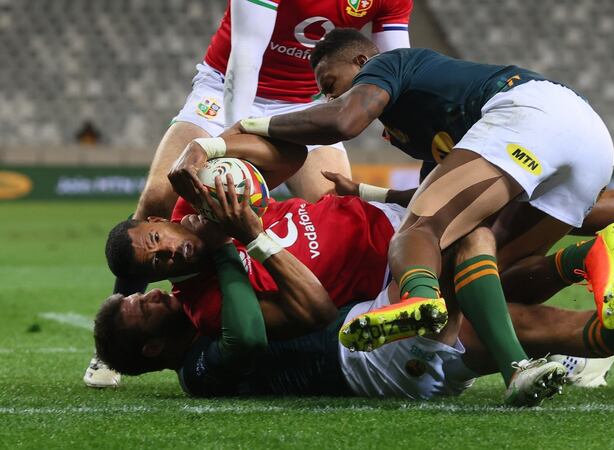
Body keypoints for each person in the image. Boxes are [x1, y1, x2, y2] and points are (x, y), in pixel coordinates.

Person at [168, 29, 614, 402]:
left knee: (424, 234)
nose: (331, 95)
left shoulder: (387, 69)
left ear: (362, 58)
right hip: (583, 140)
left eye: (332, 81)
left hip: (532, 110)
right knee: (488, 250)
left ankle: (420, 300)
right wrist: (367, 192)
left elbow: (343, 122)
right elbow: (447, 188)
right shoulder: (408, 130)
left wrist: (241, 127)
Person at [96, 200, 614, 402]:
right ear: (149, 348)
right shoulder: (197, 371)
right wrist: (228, 247)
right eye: (143, 306)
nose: (157, 295)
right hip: (368, 359)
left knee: (503, 300)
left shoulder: (194, 314)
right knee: (487, 276)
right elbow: (248, 337)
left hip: (377, 336)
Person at [88, 0, 414, 388]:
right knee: (159, 196)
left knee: (333, 198)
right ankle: (117, 334)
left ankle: (333, 326)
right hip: (227, 86)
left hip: (303, 99)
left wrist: (409, 123)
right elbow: (245, 53)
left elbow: (395, 61)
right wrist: (224, 149)